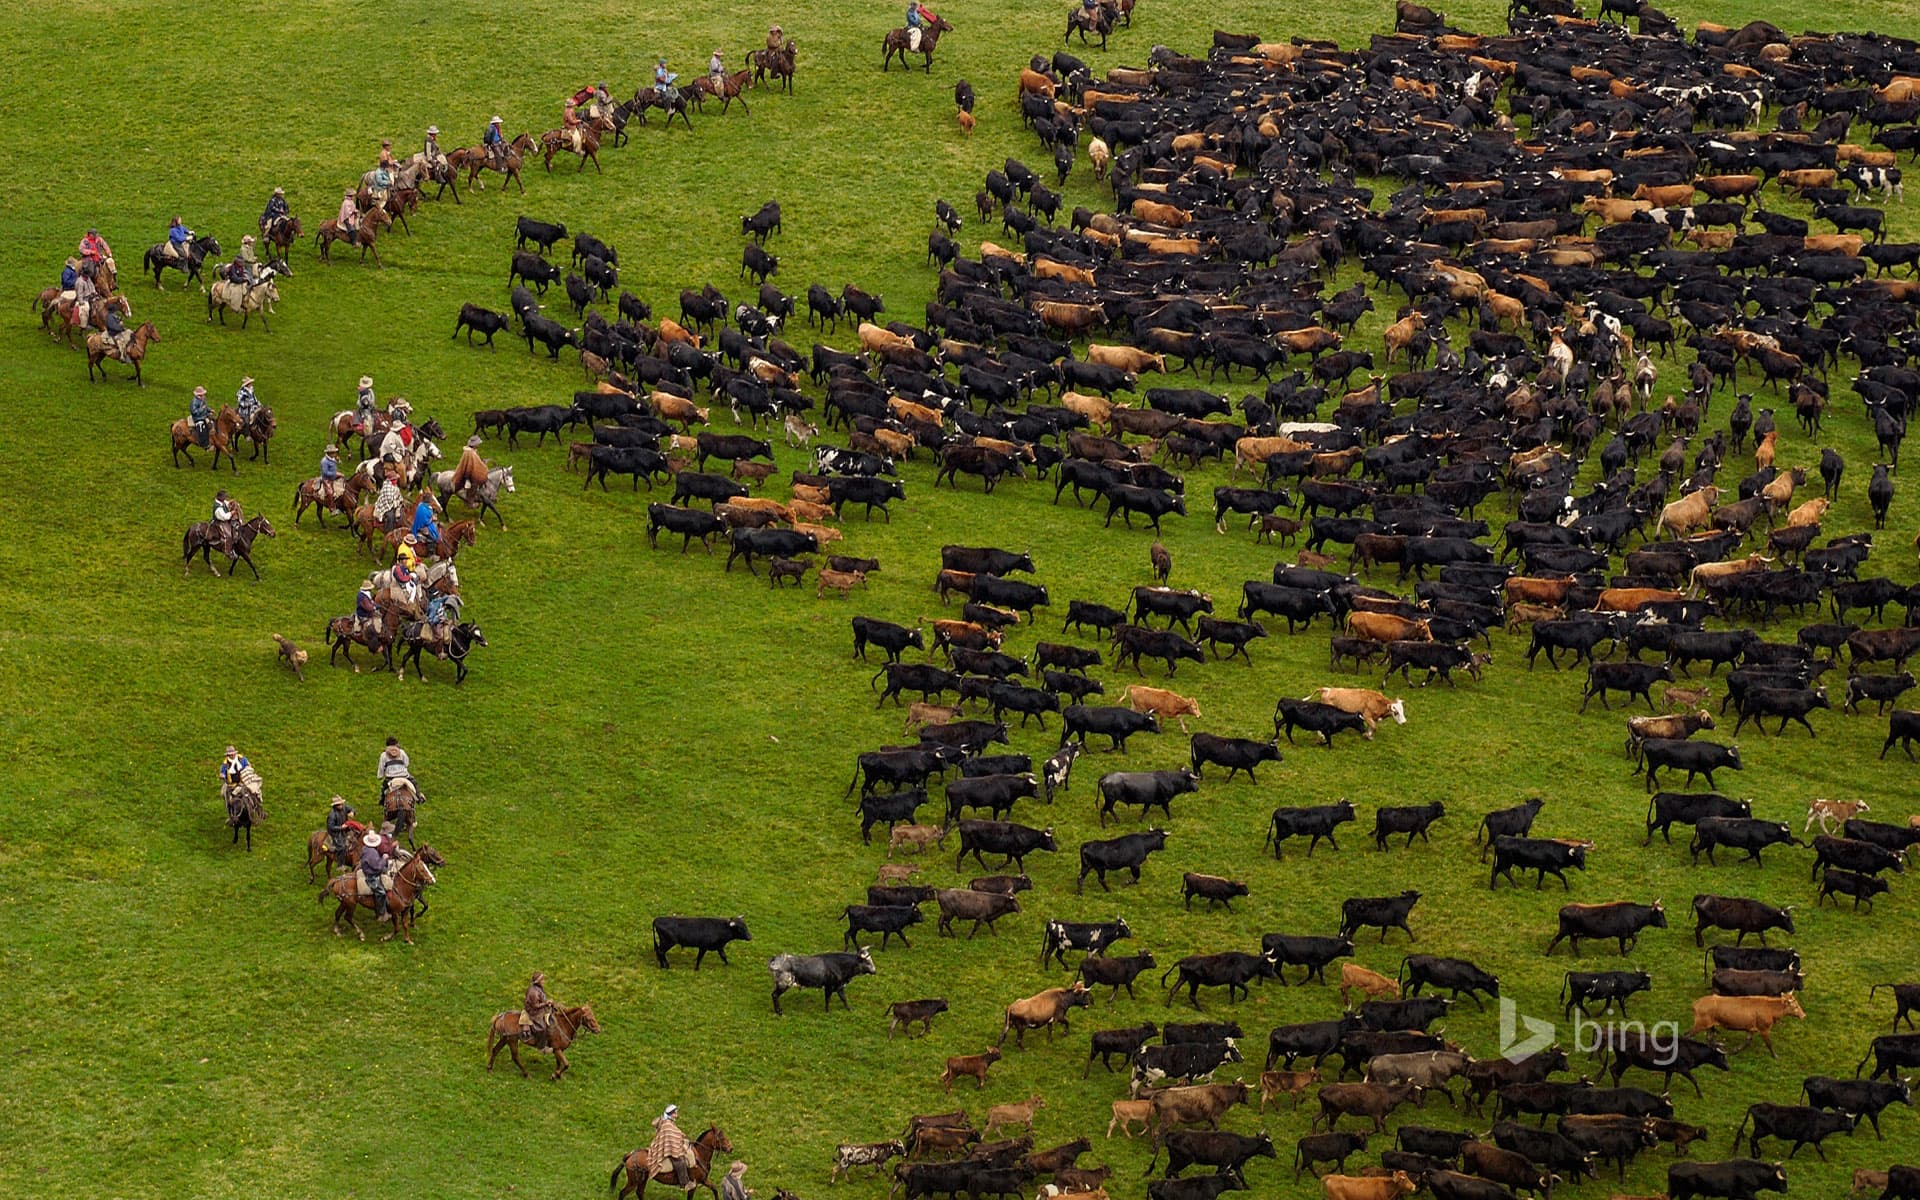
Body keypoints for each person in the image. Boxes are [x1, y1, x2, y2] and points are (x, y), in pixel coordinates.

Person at [649, 1105, 693, 1191]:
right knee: (680, 1161)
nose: (677, 1115)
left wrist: (682, 1137)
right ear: (671, 1114)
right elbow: (670, 1139)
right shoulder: (667, 1124)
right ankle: (683, 1183)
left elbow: (675, 1133)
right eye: (675, 1113)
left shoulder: (669, 1122)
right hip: (665, 1147)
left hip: (668, 1144)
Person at [359, 830, 391, 922]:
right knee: (381, 893)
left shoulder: (366, 849)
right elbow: (377, 867)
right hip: (372, 876)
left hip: (368, 870)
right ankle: (381, 914)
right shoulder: (372, 853)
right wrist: (384, 859)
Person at [524, 971, 557, 1046]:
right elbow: (535, 1006)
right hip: (534, 1012)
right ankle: (541, 1045)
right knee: (542, 1027)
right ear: (538, 981)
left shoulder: (538, 988)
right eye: (542, 980)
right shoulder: (533, 992)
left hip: (539, 1008)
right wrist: (546, 1003)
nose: (544, 981)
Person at [376, 736, 412, 802]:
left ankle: (382, 800)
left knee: (384, 789)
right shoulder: (401, 752)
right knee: (414, 783)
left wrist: (380, 776)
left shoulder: (384, 755)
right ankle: (418, 796)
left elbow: (381, 767)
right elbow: (406, 763)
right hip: (404, 776)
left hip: (390, 778)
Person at [374, 465, 405, 532]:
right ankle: (388, 531)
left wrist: (401, 500)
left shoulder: (394, 485)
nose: (396, 480)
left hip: (394, 503)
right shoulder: (387, 486)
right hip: (386, 505)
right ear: (391, 480)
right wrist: (397, 502)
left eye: (396, 479)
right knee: (390, 516)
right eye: (395, 479)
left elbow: (398, 494)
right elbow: (389, 500)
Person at [325, 796, 356, 861]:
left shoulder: (344, 807)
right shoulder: (332, 815)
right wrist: (341, 827)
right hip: (336, 833)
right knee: (341, 847)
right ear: (335, 806)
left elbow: (352, 809)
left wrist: (352, 812)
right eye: (339, 804)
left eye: (341, 804)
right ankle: (340, 863)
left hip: (345, 828)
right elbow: (331, 827)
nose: (341, 806)